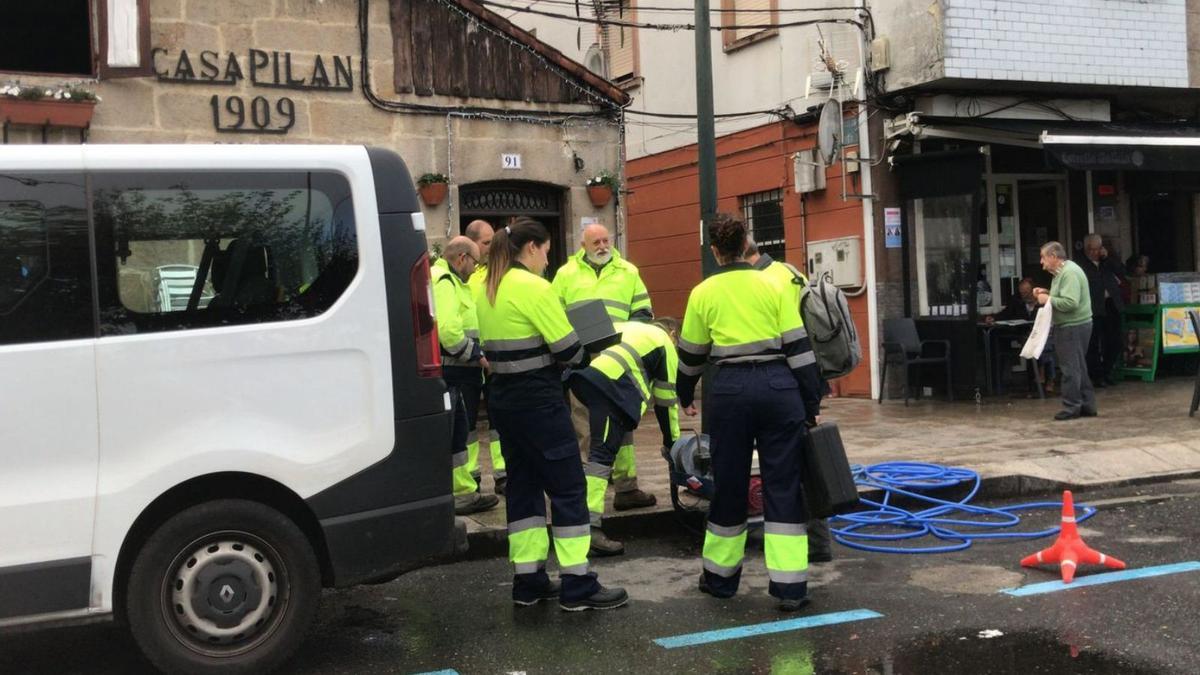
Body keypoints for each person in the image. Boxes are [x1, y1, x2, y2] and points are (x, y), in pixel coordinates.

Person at [474, 216, 627, 611]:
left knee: (523, 488)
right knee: (568, 486)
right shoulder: (533, 287)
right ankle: (577, 584)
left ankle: (529, 581)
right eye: (545, 251)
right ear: (530, 248)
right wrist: (584, 344)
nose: (547, 259)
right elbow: (569, 350)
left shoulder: (488, 287)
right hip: (539, 399)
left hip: (504, 401)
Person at [677, 213, 824, 612]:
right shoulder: (773, 284)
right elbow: (799, 348)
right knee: (783, 485)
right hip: (779, 389)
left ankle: (721, 581)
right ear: (747, 245)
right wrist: (810, 402)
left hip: (729, 393)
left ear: (714, 250)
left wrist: (684, 392)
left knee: (729, 485)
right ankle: (790, 588)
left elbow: (691, 355)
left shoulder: (703, 292)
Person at [553, 222, 657, 512]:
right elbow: (553, 315)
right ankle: (590, 491)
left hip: (619, 355)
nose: (602, 246)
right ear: (583, 246)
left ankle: (626, 486)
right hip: (582, 358)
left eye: (605, 240)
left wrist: (630, 332)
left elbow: (644, 310)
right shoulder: (565, 274)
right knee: (584, 421)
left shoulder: (628, 271)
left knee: (623, 419)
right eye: (595, 242)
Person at [743, 238, 834, 564]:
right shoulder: (789, 271)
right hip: (807, 375)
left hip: (786, 379)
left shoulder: (765, 280)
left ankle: (804, 543)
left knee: (789, 467)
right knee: (806, 463)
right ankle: (819, 542)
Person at [565, 320, 680, 556]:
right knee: (601, 456)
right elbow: (667, 403)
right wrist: (672, 442)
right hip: (611, 388)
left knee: (605, 445)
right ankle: (589, 528)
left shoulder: (630, 327)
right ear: (672, 334)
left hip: (584, 381)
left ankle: (618, 498)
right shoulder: (664, 345)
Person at [431, 236, 500, 516]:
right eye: (474, 262)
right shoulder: (445, 282)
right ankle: (460, 494)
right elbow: (448, 332)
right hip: (454, 370)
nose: (475, 269)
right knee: (457, 431)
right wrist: (476, 355)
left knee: (460, 431)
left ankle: (462, 491)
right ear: (461, 258)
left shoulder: (445, 279)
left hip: (456, 370)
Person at [463, 219, 506, 494]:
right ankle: (471, 477)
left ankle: (504, 474)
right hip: (468, 360)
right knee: (466, 424)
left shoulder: (500, 274)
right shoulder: (464, 276)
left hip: (493, 358)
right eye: (486, 243)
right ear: (471, 244)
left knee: (499, 419)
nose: (491, 248)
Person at [1033, 242, 1096, 421]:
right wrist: (1046, 292)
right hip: (1077, 325)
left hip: (1072, 326)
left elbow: (1070, 303)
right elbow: (1065, 296)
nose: (1041, 262)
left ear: (1054, 256)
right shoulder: (1062, 272)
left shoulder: (1069, 273)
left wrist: (1048, 299)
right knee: (1079, 367)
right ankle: (1087, 405)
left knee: (1070, 369)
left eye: (1043, 257)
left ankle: (1071, 407)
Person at [985, 278, 1057, 394]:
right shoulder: (1017, 301)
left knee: (1044, 345)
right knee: (1031, 345)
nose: (1025, 296)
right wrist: (993, 318)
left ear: (1034, 290)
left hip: (1043, 334)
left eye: (1027, 292)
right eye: (1022, 293)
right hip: (1024, 334)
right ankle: (1041, 379)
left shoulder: (1042, 301)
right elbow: (1006, 313)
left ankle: (1045, 378)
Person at [1075, 234, 1125, 387]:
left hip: (1111, 305)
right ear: (1086, 249)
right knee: (1093, 343)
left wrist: (1108, 257)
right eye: (1092, 249)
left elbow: (1122, 272)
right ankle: (1096, 375)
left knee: (1115, 341)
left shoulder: (1107, 261)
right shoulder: (1080, 264)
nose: (1095, 253)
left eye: (1098, 249)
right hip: (1092, 306)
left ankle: (1107, 371)